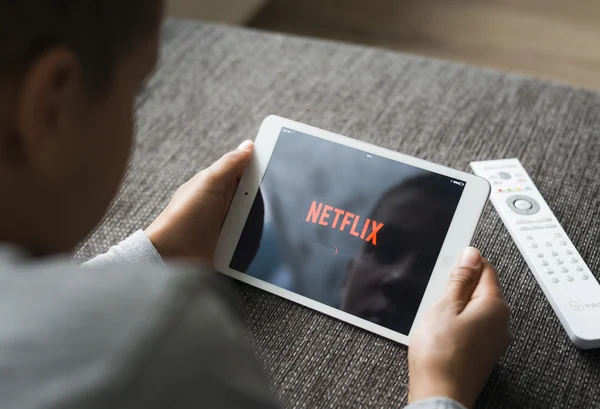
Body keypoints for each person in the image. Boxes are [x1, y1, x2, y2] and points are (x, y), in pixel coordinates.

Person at [0, 1, 512, 409]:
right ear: (52, 107)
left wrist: (159, 250)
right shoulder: (160, 334)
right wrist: (440, 388)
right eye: (138, 91)